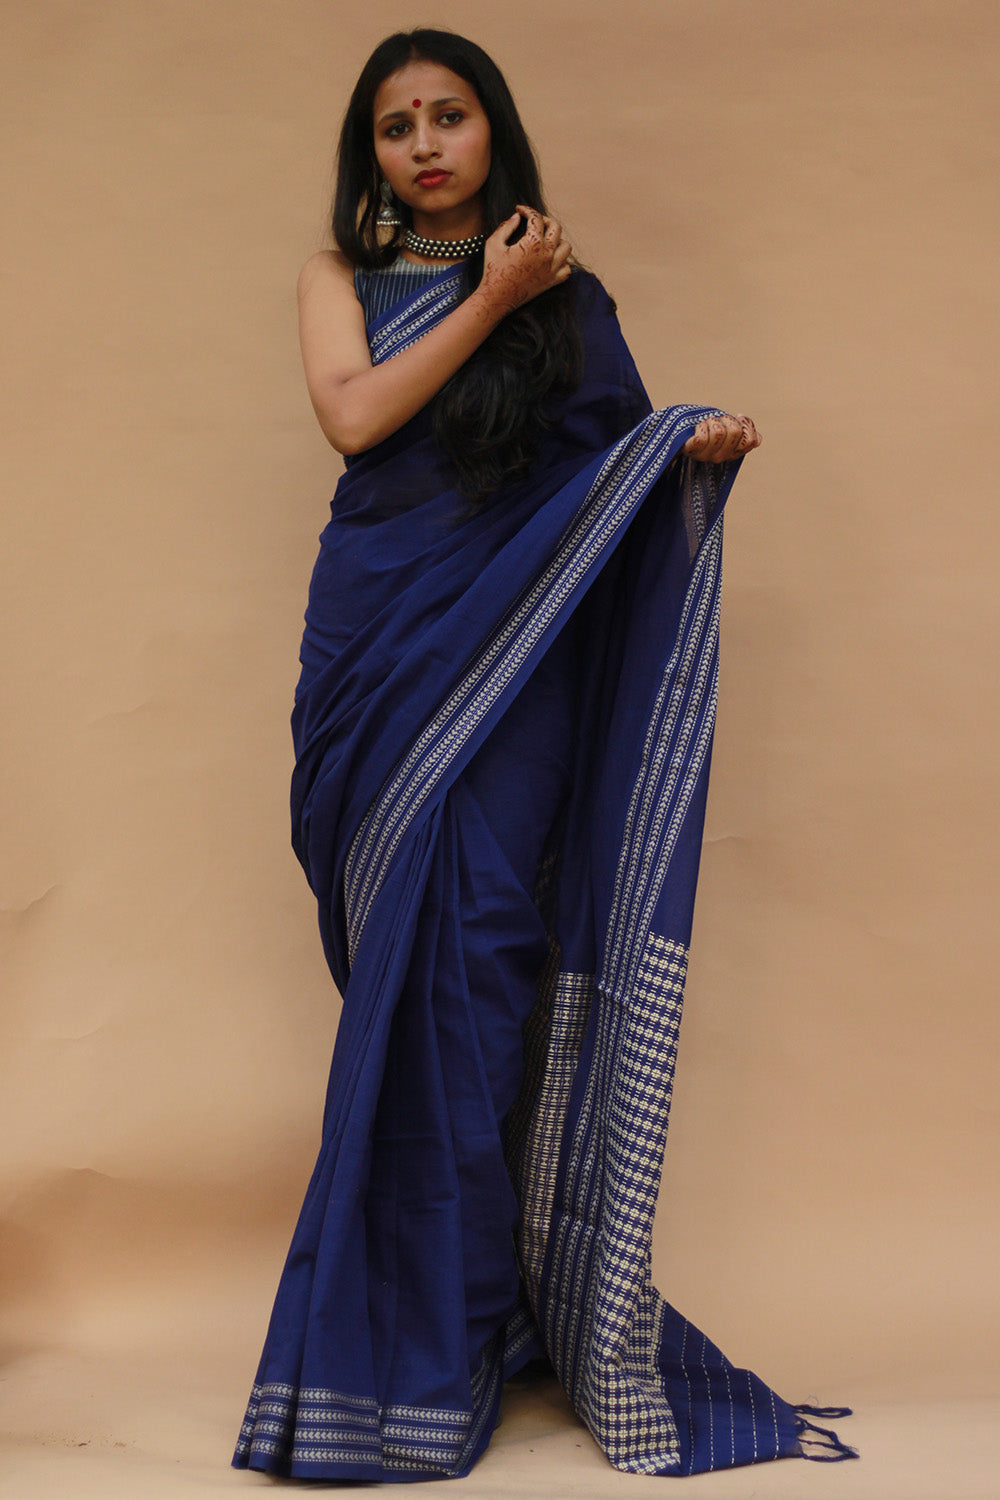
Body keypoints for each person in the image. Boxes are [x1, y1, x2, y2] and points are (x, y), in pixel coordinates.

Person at [232, 28, 853, 1484]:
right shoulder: (341, 278)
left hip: (515, 676)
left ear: (492, 132)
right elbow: (353, 417)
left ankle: (468, 1329)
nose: (424, 145)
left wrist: (688, 452)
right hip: (381, 657)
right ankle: (409, 1347)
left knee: (485, 976)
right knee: (407, 988)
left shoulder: (567, 298)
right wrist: (491, 295)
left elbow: (603, 478)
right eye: (397, 126)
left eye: (449, 117)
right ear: (372, 153)